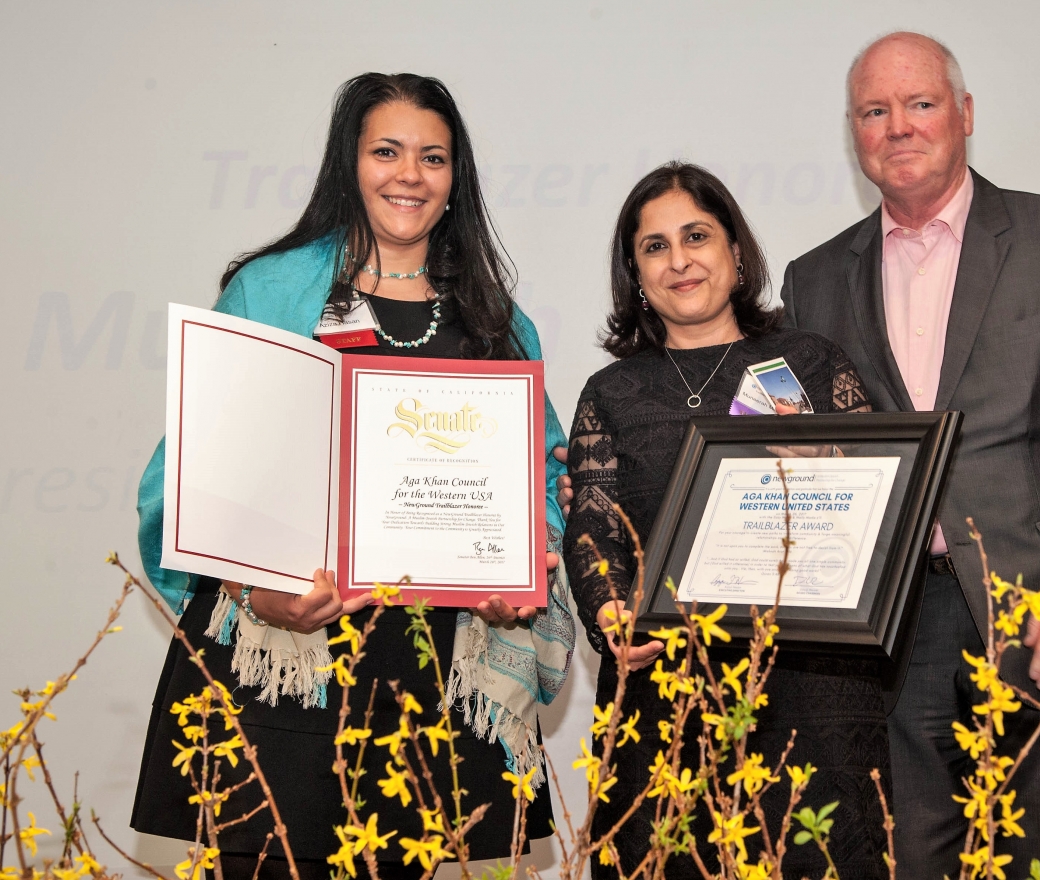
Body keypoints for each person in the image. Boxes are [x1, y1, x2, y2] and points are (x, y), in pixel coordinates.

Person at [131, 74, 575, 880]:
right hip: (286, 677)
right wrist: (252, 590)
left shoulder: (496, 319)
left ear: (455, 179)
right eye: (387, 151)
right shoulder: (269, 291)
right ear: (351, 163)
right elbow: (188, 480)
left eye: (433, 157)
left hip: (436, 675)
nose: (410, 174)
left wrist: (521, 573)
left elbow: (542, 481)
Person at [778, 32, 1040, 878]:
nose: (898, 127)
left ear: (963, 115)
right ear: (853, 131)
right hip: (890, 639)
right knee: (906, 861)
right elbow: (813, 463)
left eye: (919, 104)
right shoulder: (814, 280)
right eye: (873, 111)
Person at [564, 162, 890, 880]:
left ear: (736, 252)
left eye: (696, 236)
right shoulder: (610, 392)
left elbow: (875, 506)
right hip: (669, 698)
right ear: (635, 273)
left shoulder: (809, 362)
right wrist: (611, 612)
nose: (678, 260)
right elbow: (592, 521)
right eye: (654, 246)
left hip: (813, 696)